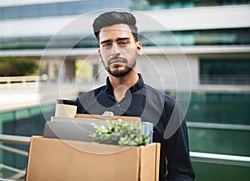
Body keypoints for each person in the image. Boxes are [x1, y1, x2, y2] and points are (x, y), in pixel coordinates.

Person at [76, 11, 195, 181]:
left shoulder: (168, 108)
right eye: (107, 45)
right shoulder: (82, 104)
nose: (114, 51)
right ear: (100, 53)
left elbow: (182, 173)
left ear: (138, 47)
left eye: (123, 43)